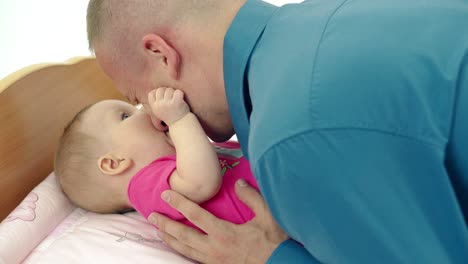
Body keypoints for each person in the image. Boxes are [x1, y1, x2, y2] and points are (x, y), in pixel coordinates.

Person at [86, 0, 468, 263]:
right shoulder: (332, 14)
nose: (155, 119)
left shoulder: (292, 136)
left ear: (161, 54)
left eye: (139, 98)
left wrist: (268, 257)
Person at [54, 87, 286, 238]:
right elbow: (200, 183)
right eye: (126, 115)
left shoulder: (179, 158)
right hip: (286, 214)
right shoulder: (143, 186)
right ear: (114, 163)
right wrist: (179, 119)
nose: (144, 112)